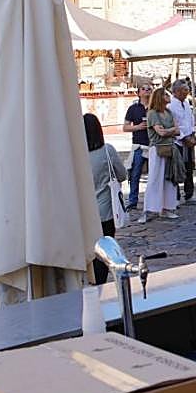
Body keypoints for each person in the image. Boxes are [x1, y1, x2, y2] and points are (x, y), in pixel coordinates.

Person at [84, 113, 126, 284]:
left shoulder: (76, 156)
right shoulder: (107, 151)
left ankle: (91, 281)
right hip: (106, 211)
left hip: (85, 213)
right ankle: (100, 283)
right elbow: (122, 174)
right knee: (106, 249)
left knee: (89, 251)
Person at [142, 87, 180, 221]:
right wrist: (171, 131)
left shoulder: (169, 112)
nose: (168, 96)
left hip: (169, 148)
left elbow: (177, 130)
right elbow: (161, 132)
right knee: (155, 178)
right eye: (165, 94)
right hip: (157, 149)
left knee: (170, 178)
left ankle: (167, 207)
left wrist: (168, 131)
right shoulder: (152, 113)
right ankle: (149, 209)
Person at [121, 84, 151, 210]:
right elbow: (125, 127)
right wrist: (137, 127)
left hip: (153, 144)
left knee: (156, 174)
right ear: (138, 93)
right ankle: (133, 200)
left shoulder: (155, 107)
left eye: (149, 88)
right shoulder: (133, 108)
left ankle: (153, 201)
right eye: (143, 89)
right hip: (139, 144)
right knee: (135, 173)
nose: (147, 90)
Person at [169, 80, 196, 202]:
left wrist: (193, 134)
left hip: (189, 139)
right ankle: (175, 196)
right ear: (176, 91)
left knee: (189, 167)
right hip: (177, 141)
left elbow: (190, 120)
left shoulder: (186, 103)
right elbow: (173, 123)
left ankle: (189, 193)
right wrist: (183, 137)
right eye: (184, 90)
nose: (187, 92)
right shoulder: (170, 105)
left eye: (187, 90)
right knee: (176, 168)